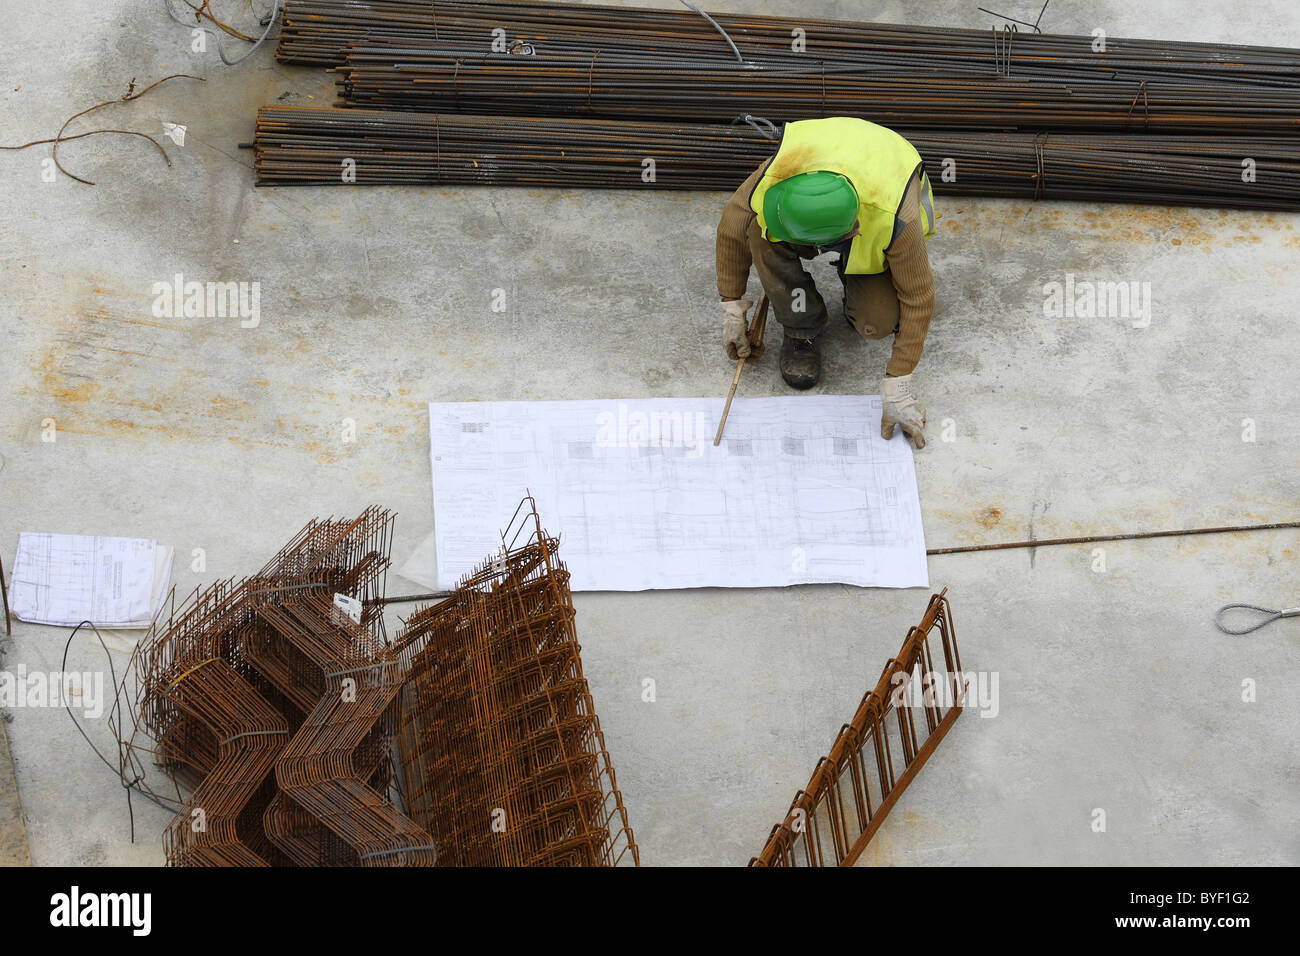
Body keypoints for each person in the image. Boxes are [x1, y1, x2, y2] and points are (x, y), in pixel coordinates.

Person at [715, 116, 937, 448]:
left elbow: (920, 296)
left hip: (874, 212)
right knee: (759, 234)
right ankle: (801, 325)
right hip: (827, 177)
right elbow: (731, 230)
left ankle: (856, 273)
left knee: (875, 322)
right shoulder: (776, 176)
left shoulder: (896, 218)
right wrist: (732, 309)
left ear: (852, 230)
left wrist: (899, 388)